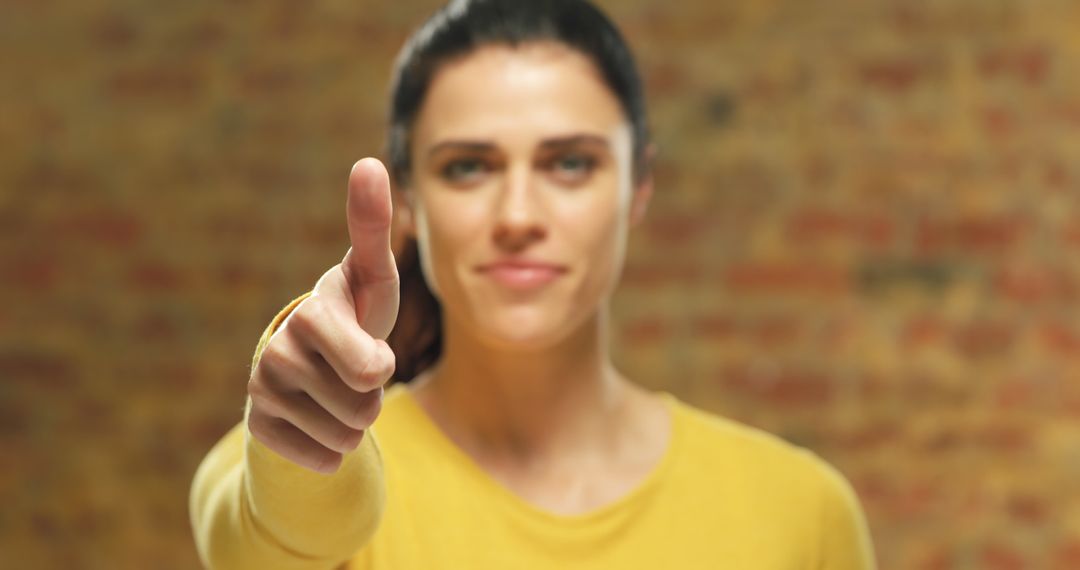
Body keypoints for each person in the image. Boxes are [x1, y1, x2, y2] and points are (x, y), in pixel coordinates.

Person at [190, 0, 877, 568]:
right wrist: (298, 438)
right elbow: (263, 536)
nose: (518, 217)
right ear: (409, 201)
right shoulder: (302, 458)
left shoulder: (801, 513)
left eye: (570, 163)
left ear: (638, 187)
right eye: (467, 167)